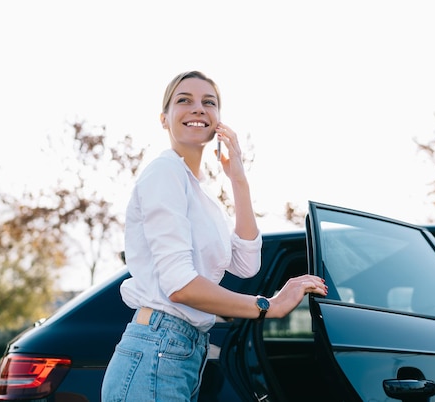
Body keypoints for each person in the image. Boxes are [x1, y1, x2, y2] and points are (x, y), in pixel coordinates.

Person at [100, 71, 328, 402]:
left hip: (181, 350)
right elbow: (180, 286)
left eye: (209, 102)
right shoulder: (165, 172)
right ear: (164, 119)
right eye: (184, 100)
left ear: (218, 120)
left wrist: (238, 178)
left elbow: (247, 263)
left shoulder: (201, 194)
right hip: (157, 346)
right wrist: (269, 305)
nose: (198, 108)